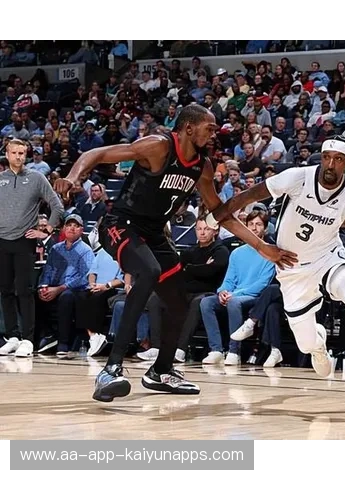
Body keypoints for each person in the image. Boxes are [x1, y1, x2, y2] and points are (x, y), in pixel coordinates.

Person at [54, 104, 296, 402]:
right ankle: (111, 368)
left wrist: (261, 246)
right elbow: (97, 153)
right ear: (189, 128)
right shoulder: (158, 146)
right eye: (209, 128)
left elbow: (220, 213)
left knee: (179, 302)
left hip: (155, 233)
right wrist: (73, 176)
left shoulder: (202, 166)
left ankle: (161, 370)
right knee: (149, 271)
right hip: (121, 225)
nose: (214, 134)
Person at [210, 136, 345, 404]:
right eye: (327, 157)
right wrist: (215, 216)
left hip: (328, 256)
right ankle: (318, 344)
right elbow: (246, 197)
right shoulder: (297, 177)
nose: (330, 163)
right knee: (305, 343)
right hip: (291, 267)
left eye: (338, 159)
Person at [0, 139, 64, 358]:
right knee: (5, 290)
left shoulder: (36, 178)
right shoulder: (1, 179)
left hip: (24, 240)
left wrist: (47, 231)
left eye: (22, 153)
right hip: (2, 241)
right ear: (7, 154)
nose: (18, 157)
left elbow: (57, 206)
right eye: (14, 153)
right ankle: (12, 337)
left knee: (25, 291)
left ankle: (27, 339)